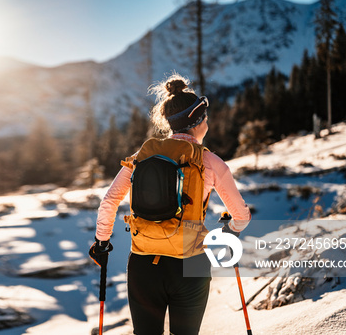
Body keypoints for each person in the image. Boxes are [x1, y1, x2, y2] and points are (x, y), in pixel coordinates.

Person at [89, 74, 251, 335]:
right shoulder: (210, 162)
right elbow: (241, 216)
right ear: (197, 122)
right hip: (192, 264)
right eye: (205, 118)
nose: (207, 122)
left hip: (144, 262)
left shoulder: (141, 157)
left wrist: (101, 242)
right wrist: (229, 230)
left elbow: (109, 201)